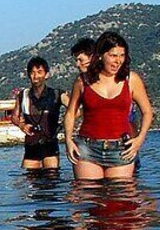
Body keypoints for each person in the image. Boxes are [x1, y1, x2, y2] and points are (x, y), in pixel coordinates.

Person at [63, 31, 154, 180]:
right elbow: (70, 113)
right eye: (113, 55)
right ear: (100, 55)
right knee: (89, 197)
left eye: (122, 55)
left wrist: (139, 140)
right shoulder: (82, 81)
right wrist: (68, 140)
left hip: (121, 149)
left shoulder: (131, 80)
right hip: (87, 148)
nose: (118, 61)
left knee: (120, 199)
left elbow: (147, 112)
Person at [11, 56, 69, 170]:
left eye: (39, 72)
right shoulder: (23, 95)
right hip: (31, 146)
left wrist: (64, 124)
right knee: (29, 181)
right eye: (32, 73)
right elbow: (14, 116)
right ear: (28, 75)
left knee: (52, 179)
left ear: (46, 75)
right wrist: (21, 125)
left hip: (50, 145)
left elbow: (75, 110)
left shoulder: (57, 94)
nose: (35, 76)